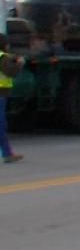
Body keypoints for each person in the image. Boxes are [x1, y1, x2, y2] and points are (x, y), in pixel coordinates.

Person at [0, 34, 26, 164]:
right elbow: (11, 72)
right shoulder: (3, 58)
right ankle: (7, 154)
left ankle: (7, 153)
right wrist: (20, 63)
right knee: (1, 126)